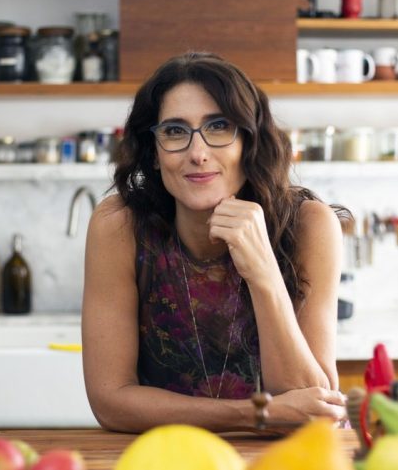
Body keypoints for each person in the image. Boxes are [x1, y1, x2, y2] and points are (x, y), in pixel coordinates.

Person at [82, 52, 351, 433]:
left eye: (219, 126)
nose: (198, 153)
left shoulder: (309, 225)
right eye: (175, 131)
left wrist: (263, 274)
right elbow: (111, 401)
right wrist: (256, 413)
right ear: (154, 153)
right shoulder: (120, 225)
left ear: (248, 141)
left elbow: (313, 410)